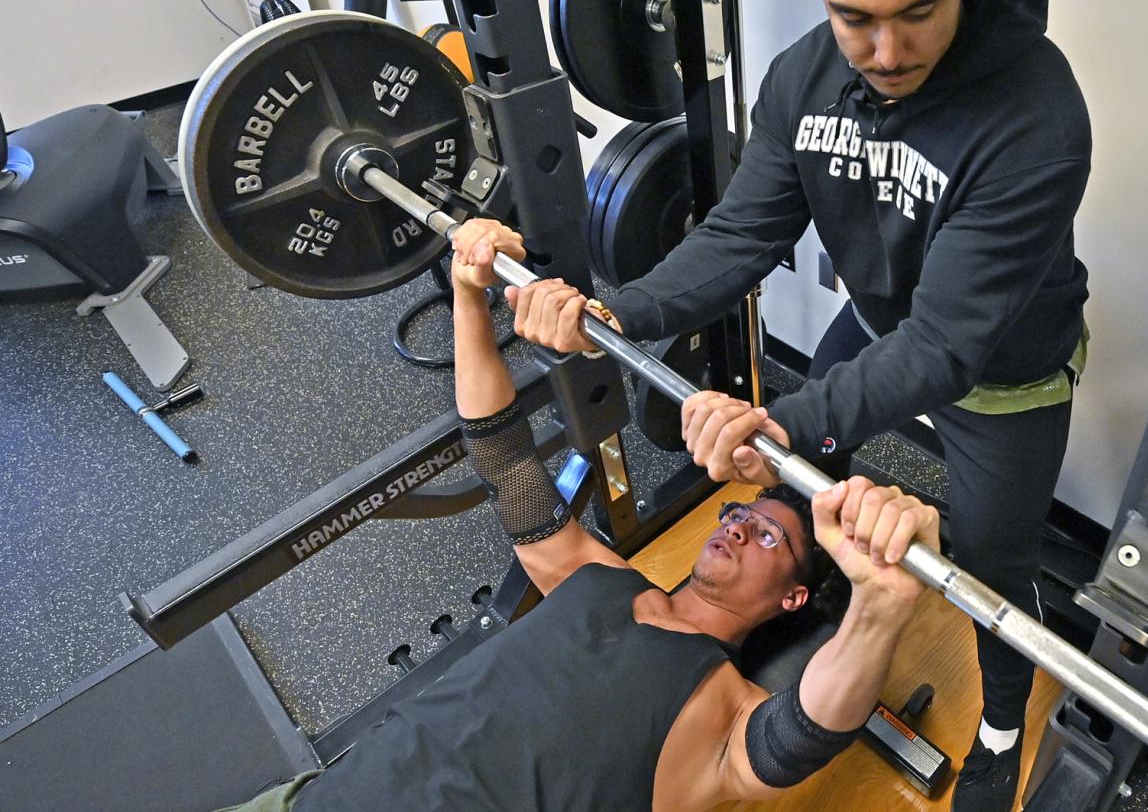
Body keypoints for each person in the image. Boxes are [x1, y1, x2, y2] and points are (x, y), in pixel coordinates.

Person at [509, 0, 1090, 809]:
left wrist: (784, 418)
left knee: (992, 565)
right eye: (856, 17)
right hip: (882, 323)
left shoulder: (1036, 112)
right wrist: (620, 311)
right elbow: (741, 233)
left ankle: (1000, 727)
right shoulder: (804, 77)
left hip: (1003, 373)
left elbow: (945, 347)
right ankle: (802, 600)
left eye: (916, 12)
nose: (885, 50)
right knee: (806, 461)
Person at [215, 220, 941, 812]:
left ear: (793, 596)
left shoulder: (723, 708)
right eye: (746, 511)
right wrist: (471, 299)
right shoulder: (596, 576)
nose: (741, 524)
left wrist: (878, 607)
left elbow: (798, 738)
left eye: (771, 537)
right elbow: (504, 460)